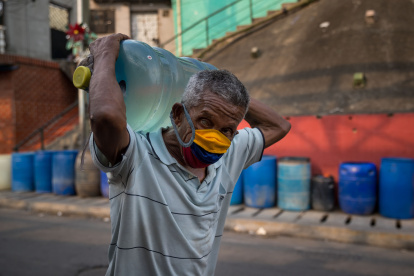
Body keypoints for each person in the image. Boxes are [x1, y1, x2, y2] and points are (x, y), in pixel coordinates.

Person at [87, 33, 291, 275]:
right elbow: (105, 116)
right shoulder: (136, 154)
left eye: (226, 129)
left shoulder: (230, 152)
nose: (215, 137)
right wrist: (105, 53)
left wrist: (206, 74)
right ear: (178, 115)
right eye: (205, 120)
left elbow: (279, 126)